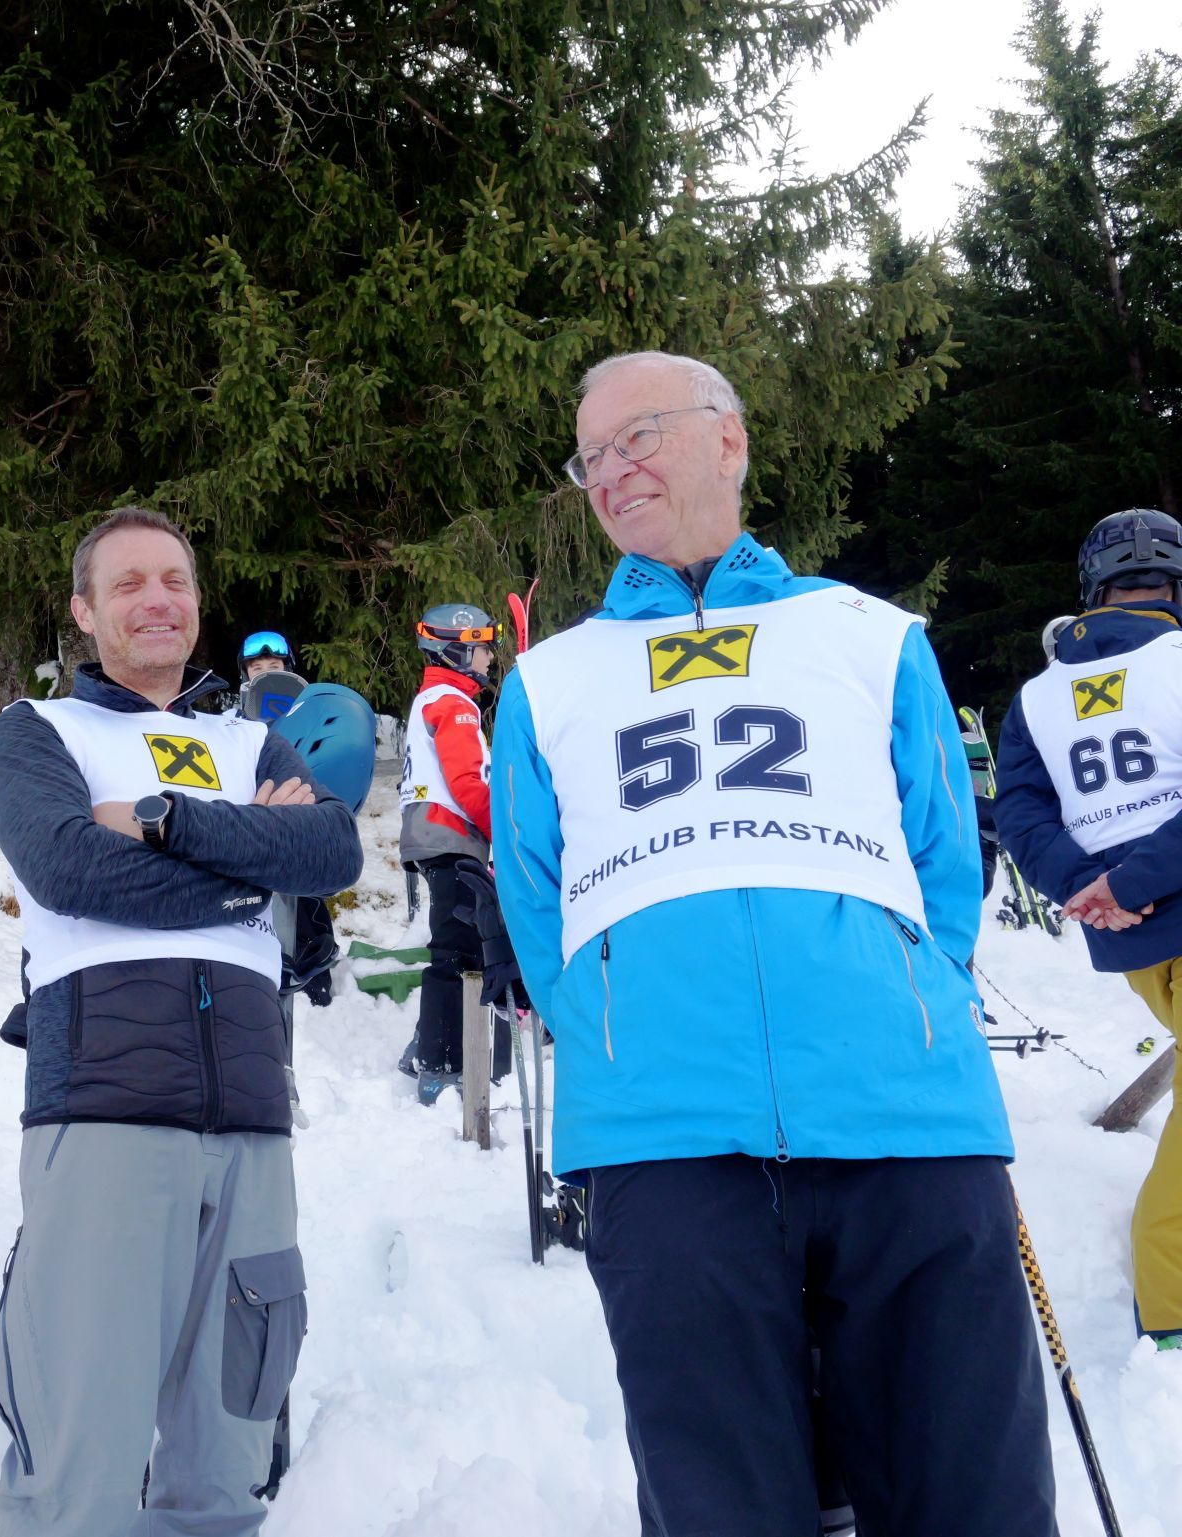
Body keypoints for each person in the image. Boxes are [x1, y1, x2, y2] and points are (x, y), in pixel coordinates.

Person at [485, 351, 1057, 1534]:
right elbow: (534, 899)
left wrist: (911, 1002)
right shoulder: (548, 678)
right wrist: (610, 1037)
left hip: (903, 1119)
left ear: (728, 439)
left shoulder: (868, 636)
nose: (610, 470)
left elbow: (942, 859)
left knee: (970, 1496)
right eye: (589, 458)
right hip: (663, 1137)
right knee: (721, 1506)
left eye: (636, 435)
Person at [0, 506, 363, 1537]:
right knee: (79, 1478)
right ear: (83, 610)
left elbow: (330, 853)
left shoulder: (250, 738)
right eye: (128, 583)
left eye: (175, 581)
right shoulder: (41, 730)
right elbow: (68, 869)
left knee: (226, 1475)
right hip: (104, 1112)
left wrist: (161, 821)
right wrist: (249, 863)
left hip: (251, 1132)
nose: (157, 600)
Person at [994, 507, 1182, 1350]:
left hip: (1134, 935)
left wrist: (1089, 885)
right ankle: (1170, 1301)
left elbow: (1021, 812)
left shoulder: (1037, 698)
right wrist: (1130, 880)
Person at [396, 604, 503, 1102]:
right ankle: (440, 1065)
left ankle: (424, 1046)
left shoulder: (435, 697)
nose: (489, 658)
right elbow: (468, 782)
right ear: (456, 651)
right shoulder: (455, 704)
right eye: (482, 649)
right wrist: (502, 832)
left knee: (461, 945)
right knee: (459, 953)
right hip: (450, 836)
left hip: (438, 837)